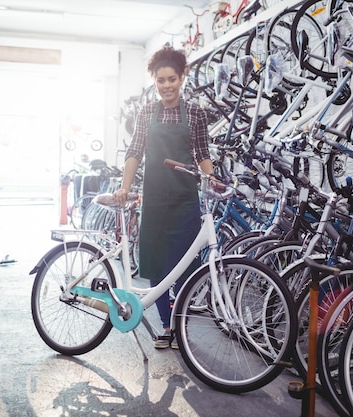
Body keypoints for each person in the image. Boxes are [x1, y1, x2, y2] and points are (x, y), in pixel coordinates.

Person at [113, 45, 218, 349]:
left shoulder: (196, 113)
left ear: (182, 78)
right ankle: (166, 326)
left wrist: (212, 180)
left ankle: (181, 326)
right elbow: (134, 151)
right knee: (158, 269)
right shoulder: (147, 112)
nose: (167, 85)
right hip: (155, 200)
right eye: (161, 80)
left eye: (172, 79)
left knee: (184, 268)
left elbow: (202, 153)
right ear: (154, 81)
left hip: (186, 201)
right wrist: (124, 186)